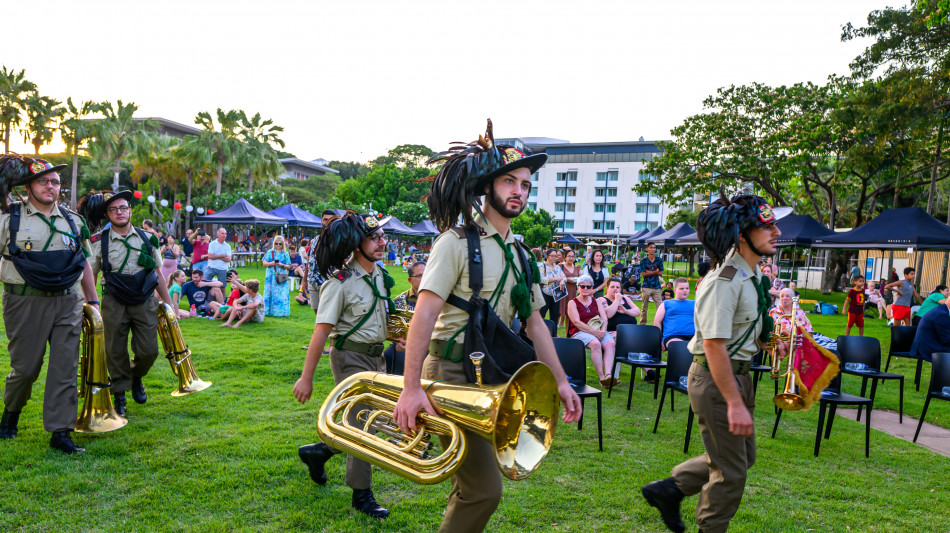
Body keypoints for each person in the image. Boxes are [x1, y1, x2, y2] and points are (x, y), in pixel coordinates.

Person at [391, 124, 581, 533]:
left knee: (473, 486)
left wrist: (562, 383)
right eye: (509, 181)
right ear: (487, 187)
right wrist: (410, 389)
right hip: (450, 375)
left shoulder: (521, 253)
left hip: (490, 376)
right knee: (484, 490)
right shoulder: (456, 242)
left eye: (526, 185)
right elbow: (423, 315)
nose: (519, 191)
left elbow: (536, 323)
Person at [642, 193, 790, 533]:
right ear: (742, 236)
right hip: (716, 380)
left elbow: (743, 329)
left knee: (741, 458)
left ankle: (670, 489)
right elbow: (713, 345)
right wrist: (734, 403)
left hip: (736, 377)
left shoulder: (750, 276)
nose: (776, 232)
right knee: (731, 472)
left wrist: (769, 344)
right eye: (766, 226)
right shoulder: (723, 280)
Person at [292, 211, 394, 519]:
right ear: (356, 245)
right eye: (374, 238)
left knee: (370, 421)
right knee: (364, 423)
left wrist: (395, 337)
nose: (381, 243)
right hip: (349, 357)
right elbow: (320, 333)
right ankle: (362, 494)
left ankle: (320, 452)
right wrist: (306, 378)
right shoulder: (339, 283)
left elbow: (379, 318)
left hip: (378, 356)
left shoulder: (379, 274)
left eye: (382, 237)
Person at [0, 156, 99, 454]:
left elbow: (84, 263)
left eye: (55, 182)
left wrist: (93, 301)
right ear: (28, 186)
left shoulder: (74, 221)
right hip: (24, 300)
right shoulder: (9, 219)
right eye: (42, 181)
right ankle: (11, 413)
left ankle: (61, 431)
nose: (50, 186)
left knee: (65, 367)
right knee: (26, 369)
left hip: (68, 301)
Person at [83, 190, 174, 420]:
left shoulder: (148, 238)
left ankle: (135, 376)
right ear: (107, 214)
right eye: (113, 209)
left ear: (130, 210)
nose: (119, 212)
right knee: (115, 350)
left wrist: (169, 302)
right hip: (114, 301)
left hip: (144, 300)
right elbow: (90, 276)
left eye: (123, 208)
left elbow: (157, 273)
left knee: (149, 351)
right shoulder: (98, 241)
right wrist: (90, 306)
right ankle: (119, 395)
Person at [568, 274, 618, 387]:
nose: (585, 289)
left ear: (592, 288)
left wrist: (603, 331)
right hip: (579, 332)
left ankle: (608, 375)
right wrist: (595, 333)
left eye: (588, 286)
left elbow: (604, 318)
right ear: (578, 287)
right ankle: (602, 378)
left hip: (598, 330)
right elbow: (576, 322)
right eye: (582, 286)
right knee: (595, 343)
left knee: (610, 343)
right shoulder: (572, 303)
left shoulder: (597, 301)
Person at [385, 261, 426, 372]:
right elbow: (391, 329)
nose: (424, 278)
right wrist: (400, 341)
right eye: (419, 276)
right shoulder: (399, 301)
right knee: (388, 356)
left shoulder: (439, 299)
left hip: (431, 346)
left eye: (426, 274)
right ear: (410, 280)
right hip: (405, 348)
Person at [301, 210, 337, 316]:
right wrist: (304, 281)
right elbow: (309, 260)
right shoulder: (316, 239)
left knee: (328, 314)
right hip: (313, 282)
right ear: (321, 221)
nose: (327, 223)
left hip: (328, 282)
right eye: (325, 219)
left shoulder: (336, 240)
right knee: (318, 314)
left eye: (331, 220)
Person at [653, 277, 695, 349]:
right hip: (673, 336)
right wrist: (659, 339)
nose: (685, 291)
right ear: (675, 290)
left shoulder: (694, 304)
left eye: (687, 288)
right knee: (680, 347)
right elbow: (657, 321)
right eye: (681, 289)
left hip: (693, 336)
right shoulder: (666, 304)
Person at [910, 296, 950, 362]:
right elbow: (946, 340)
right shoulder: (942, 314)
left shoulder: (942, 310)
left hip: (930, 343)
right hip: (929, 347)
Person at [262, 235, 291, 317]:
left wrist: (281, 265)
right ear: (274, 244)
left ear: (283, 245)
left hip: (281, 276)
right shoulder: (269, 252)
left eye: (280, 244)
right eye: (276, 243)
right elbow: (264, 263)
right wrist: (272, 263)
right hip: (270, 276)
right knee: (269, 293)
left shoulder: (285, 254)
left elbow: (289, 266)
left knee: (281, 294)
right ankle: (268, 311)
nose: (278, 245)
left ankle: (280, 312)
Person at [539, 248, 566, 325]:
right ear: (547, 256)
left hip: (556, 294)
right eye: (552, 256)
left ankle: (553, 334)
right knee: (541, 315)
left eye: (556, 256)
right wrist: (555, 279)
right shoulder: (542, 266)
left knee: (555, 316)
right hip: (545, 293)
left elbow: (564, 277)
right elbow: (540, 279)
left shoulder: (557, 267)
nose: (554, 258)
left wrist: (562, 281)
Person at [639, 242, 664, 323]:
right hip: (646, 286)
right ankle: (642, 325)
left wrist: (648, 271)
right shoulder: (644, 260)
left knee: (660, 307)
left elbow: (660, 273)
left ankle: (660, 324)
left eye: (654, 247)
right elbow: (643, 274)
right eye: (651, 247)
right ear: (647, 249)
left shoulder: (659, 260)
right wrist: (655, 272)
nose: (653, 249)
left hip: (656, 286)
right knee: (644, 308)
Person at [559, 249, 582, 328]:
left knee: (569, 310)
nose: (571, 258)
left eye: (573, 256)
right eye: (569, 256)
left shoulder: (577, 268)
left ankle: (567, 329)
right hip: (562, 290)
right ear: (565, 257)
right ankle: (557, 325)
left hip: (572, 291)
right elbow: (558, 277)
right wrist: (567, 279)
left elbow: (579, 279)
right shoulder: (560, 266)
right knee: (560, 309)